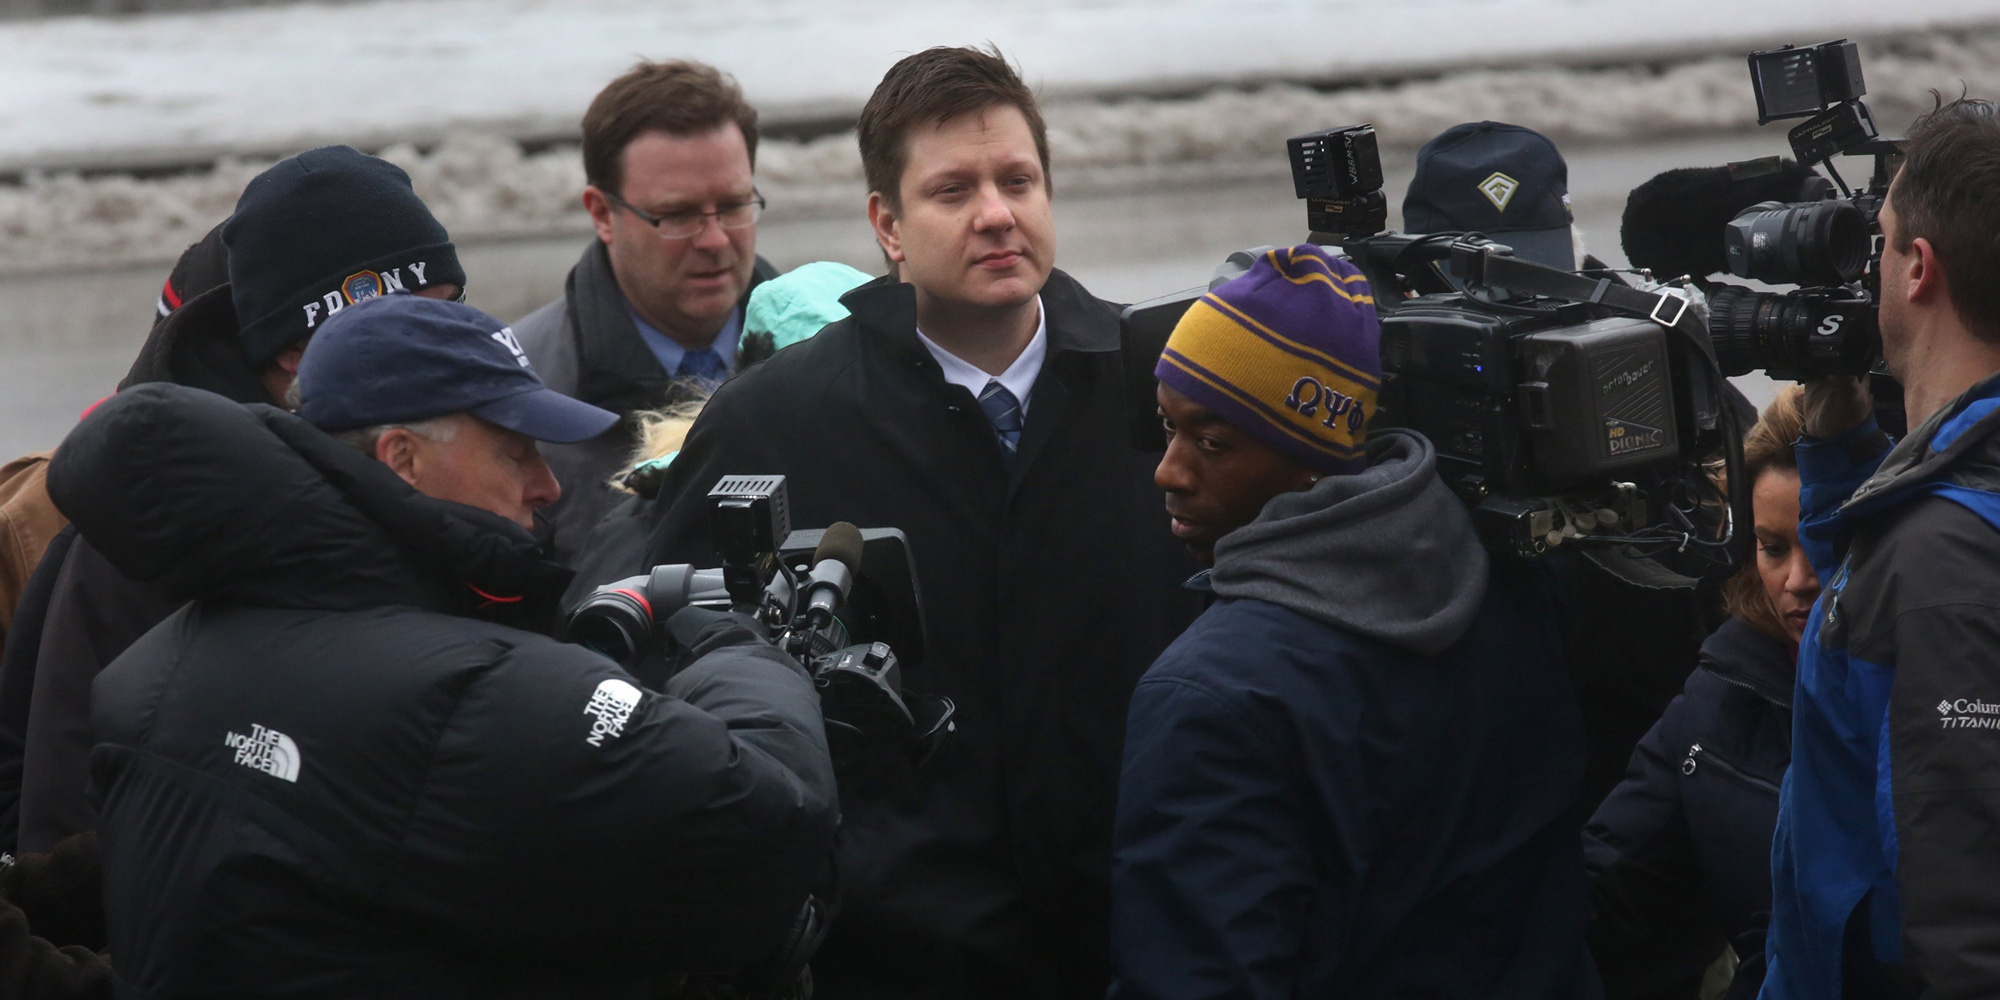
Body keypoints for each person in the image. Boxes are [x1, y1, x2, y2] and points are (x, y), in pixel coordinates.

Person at [621, 45, 1203, 999]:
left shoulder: (1166, 388)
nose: (996, 213)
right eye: (953, 190)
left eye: (1019, 179)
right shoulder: (775, 422)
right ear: (886, 225)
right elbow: (692, 686)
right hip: (896, 952)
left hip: (1145, 930)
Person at [49, 293, 837, 996]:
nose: (549, 486)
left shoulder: (156, 665)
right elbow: (771, 822)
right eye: (515, 450)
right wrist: (742, 650)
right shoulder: (468, 689)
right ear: (403, 458)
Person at [1106, 244, 1596, 1000]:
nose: (1168, 470)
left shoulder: (1211, 696)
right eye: (1165, 427)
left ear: (1315, 456)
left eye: (1211, 442)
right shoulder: (1511, 580)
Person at [0, 148, 465, 855]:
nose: (451, 353)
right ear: (295, 350)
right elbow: (62, 816)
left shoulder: (434, 462)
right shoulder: (136, 535)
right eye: (410, 328)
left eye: (454, 313)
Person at [1762, 97, 2000, 999]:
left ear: (1919, 269)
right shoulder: (1943, 519)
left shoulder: (1943, 561)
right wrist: (1837, 458)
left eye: (1883, 242)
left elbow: (1966, 914)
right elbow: (1878, 624)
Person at [1584, 386, 1815, 1000]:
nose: (1798, 581)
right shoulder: (1719, 691)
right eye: (1773, 548)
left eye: (1826, 546)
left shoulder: (1944, 689)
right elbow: (1611, 879)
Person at [513, 60, 780, 564]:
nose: (716, 239)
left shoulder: (828, 348)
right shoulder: (522, 390)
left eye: (734, 205)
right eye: (677, 214)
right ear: (601, 214)